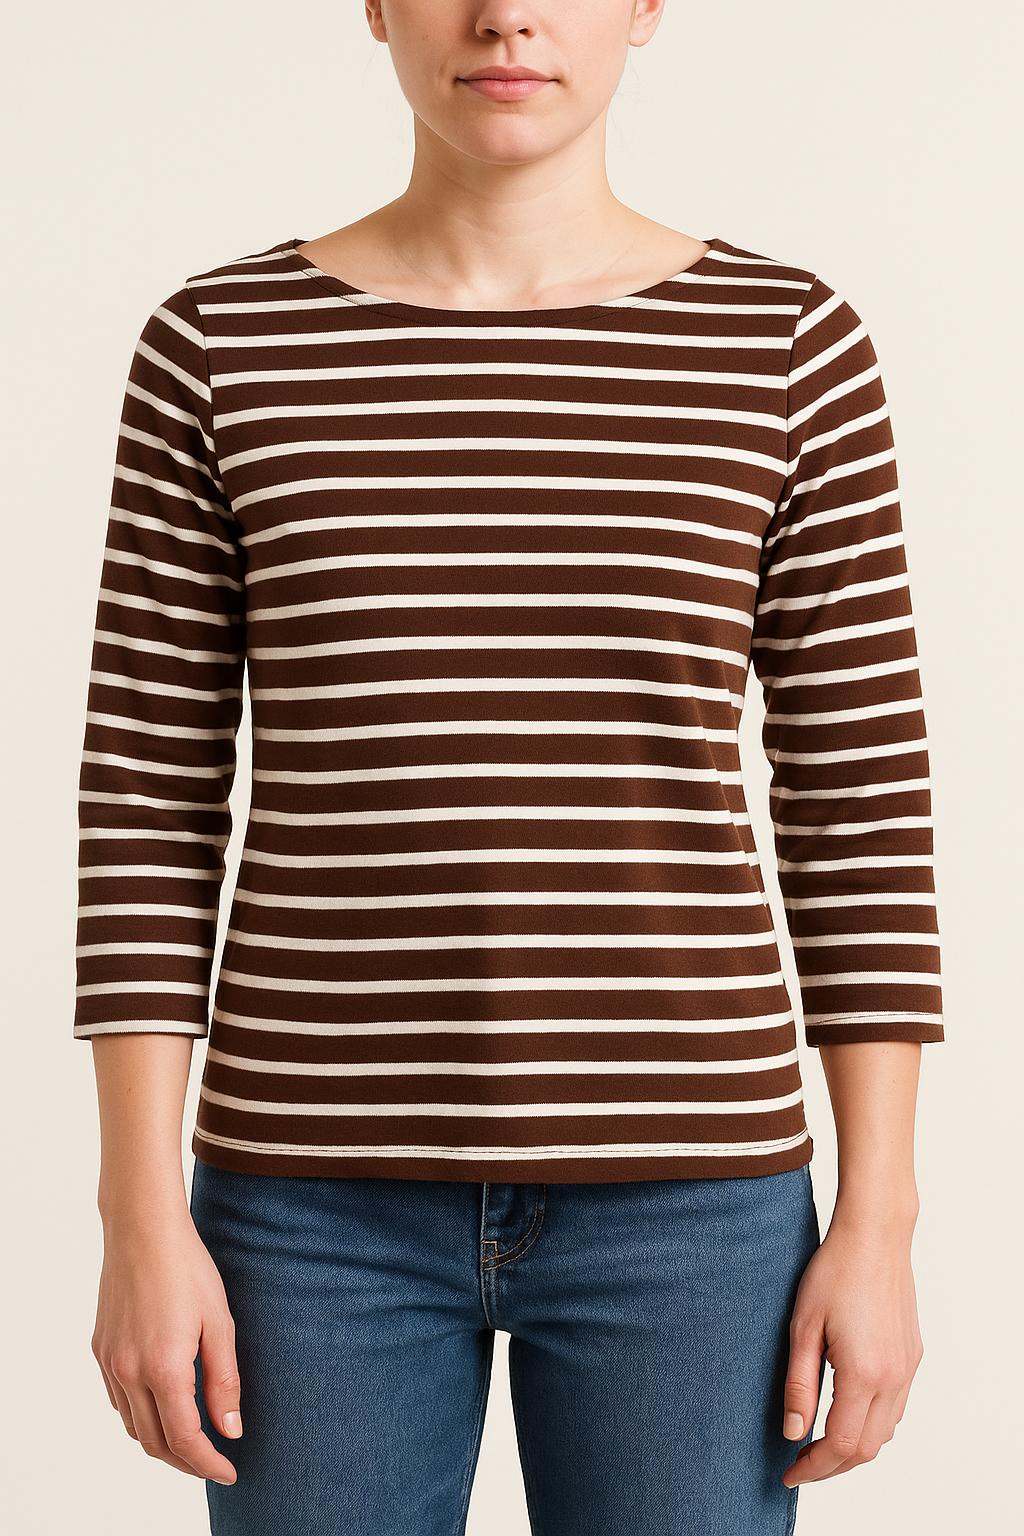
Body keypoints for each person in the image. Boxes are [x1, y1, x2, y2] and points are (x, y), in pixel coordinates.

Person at [74, 3, 944, 1532]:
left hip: (694, 1208)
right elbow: (147, 798)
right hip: (307, 1211)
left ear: (646, 6)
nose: (507, 15)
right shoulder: (221, 347)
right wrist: (136, 1212)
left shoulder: (786, 349)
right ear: (376, 5)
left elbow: (859, 801)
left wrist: (882, 1221)